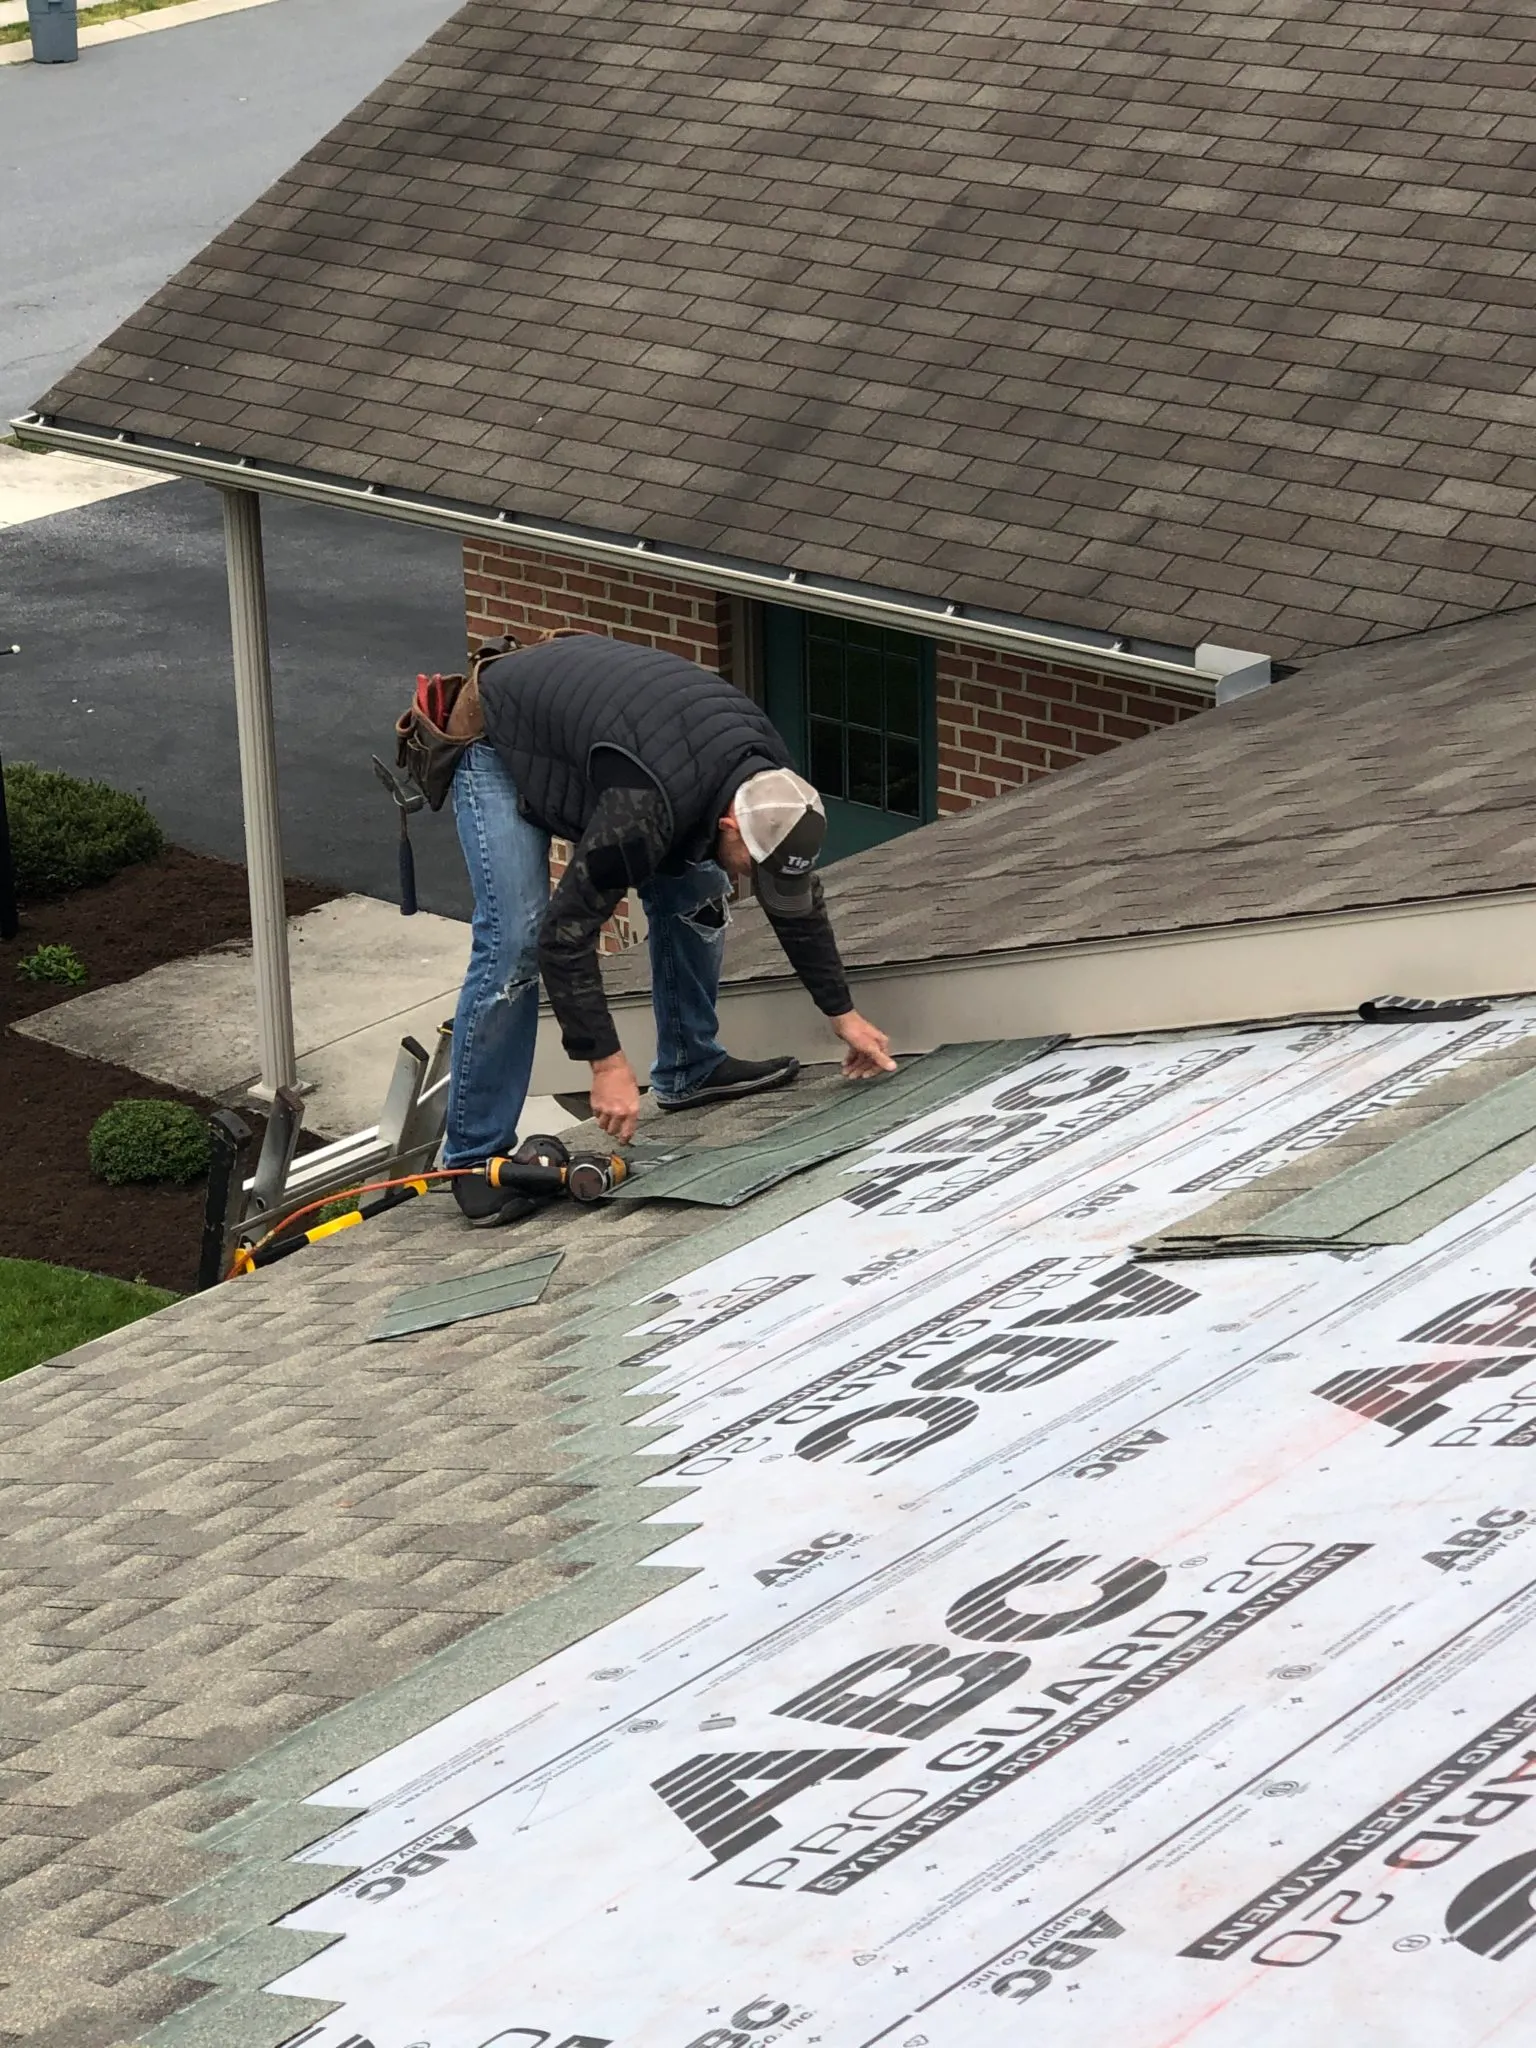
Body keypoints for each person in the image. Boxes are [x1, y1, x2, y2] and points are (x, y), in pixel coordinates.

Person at [442, 631, 896, 1225]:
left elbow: (796, 899)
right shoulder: (642, 811)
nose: (757, 881)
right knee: (517, 940)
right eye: (755, 868)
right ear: (731, 824)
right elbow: (566, 936)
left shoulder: (773, 787)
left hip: (625, 742)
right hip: (499, 736)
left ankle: (690, 1065)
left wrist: (843, 1014)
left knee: (699, 887)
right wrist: (606, 1064)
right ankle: (472, 1157)